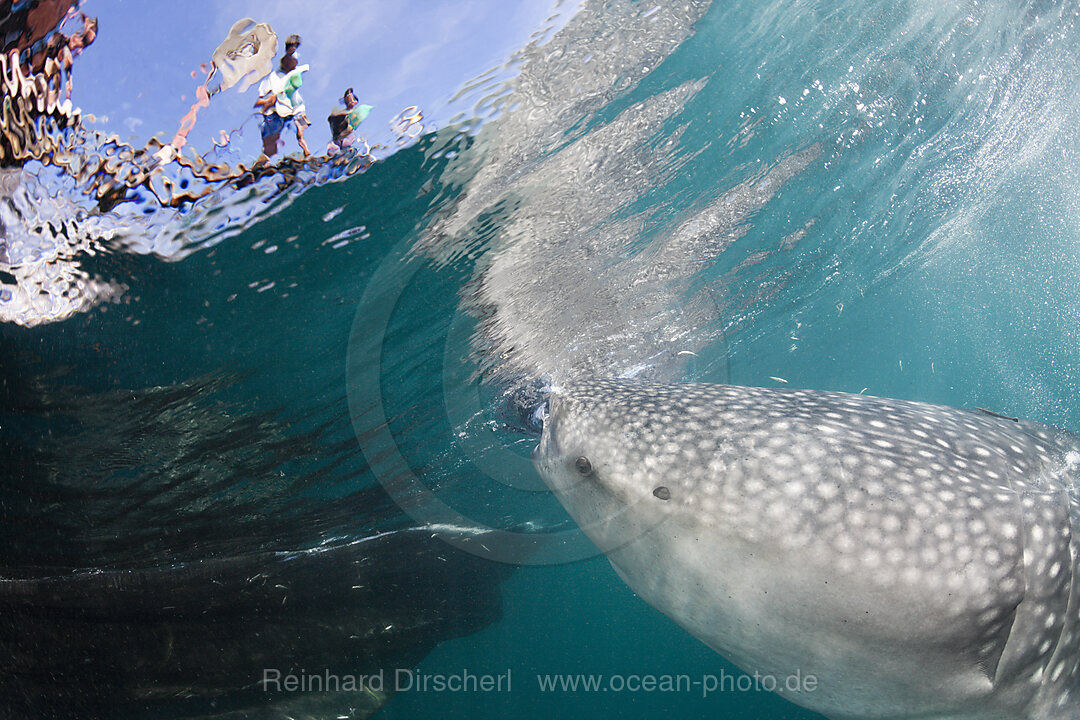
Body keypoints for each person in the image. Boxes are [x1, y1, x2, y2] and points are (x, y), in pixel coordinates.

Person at [254, 34, 310, 159]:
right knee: (272, 137)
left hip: (295, 106)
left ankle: (306, 151)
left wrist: (292, 50)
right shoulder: (275, 77)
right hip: (280, 109)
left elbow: (294, 65)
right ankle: (266, 158)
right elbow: (262, 99)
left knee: (300, 132)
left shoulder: (294, 72)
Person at [326, 87, 372, 154]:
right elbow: (332, 117)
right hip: (337, 140)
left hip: (349, 139)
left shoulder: (357, 111)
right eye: (348, 98)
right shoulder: (338, 114)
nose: (350, 101)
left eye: (351, 98)